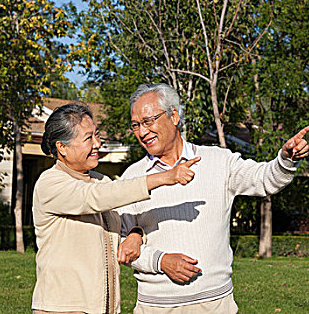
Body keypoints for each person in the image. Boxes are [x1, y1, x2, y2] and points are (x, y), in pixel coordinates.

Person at [117, 83, 309, 313]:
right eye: (135, 125)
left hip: (216, 304)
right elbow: (120, 245)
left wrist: (286, 160)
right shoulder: (132, 178)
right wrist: (161, 261)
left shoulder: (218, 162)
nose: (142, 132)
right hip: (156, 307)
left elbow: (264, 179)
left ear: (174, 116)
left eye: (148, 121)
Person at [31, 103, 200, 314]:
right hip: (63, 308)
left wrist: (136, 234)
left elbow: (119, 222)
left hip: (103, 308)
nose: (97, 144)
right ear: (62, 148)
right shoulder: (50, 184)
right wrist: (165, 177)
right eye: (88, 138)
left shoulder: (101, 181)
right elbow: (96, 198)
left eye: (97, 135)